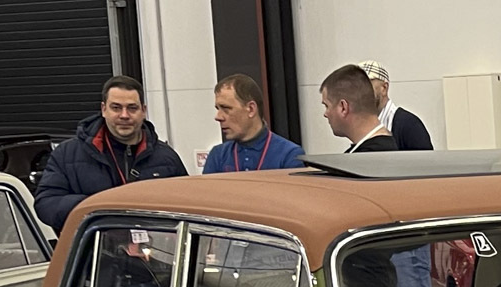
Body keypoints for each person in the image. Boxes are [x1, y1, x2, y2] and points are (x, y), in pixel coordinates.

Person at [35, 76, 187, 233]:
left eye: (132, 108)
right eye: (116, 108)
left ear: (143, 111)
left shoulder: (167, 157)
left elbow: (188, 206)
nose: (124, 115)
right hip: (91, 247)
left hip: (154, 246)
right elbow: (46, 204)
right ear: (103, 109)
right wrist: (96, 207)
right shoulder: (67, 154)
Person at [203, 74, 304, 174]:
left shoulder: (289, 154)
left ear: (251, 109)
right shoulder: (217, 155)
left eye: (226, 108)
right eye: (218, 109)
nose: (218, 117)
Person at [320, 64, 396, 153]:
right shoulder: (384, 149)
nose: (325, 114)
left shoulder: (368, 157)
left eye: (327, 106)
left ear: (343, 107)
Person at [359, 62, 434, 150]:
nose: (360, 93)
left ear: (384, 88)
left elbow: (425, 159)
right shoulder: (360, 127)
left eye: (367, 86)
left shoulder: (409, 125)